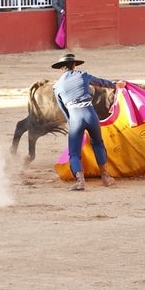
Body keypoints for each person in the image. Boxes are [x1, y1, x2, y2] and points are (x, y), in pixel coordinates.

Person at [51, 53, 124, 191]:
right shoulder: (82, 75)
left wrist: (72, 124)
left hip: (74, 117)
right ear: (74, 65)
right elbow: (100, 82)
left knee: (74, 152)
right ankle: (105, 177)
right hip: (90, 114)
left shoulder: (57, 86)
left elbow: (63, 109)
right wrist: (116, 85)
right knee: (98, 143)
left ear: (61, 68)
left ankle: (80, 181)